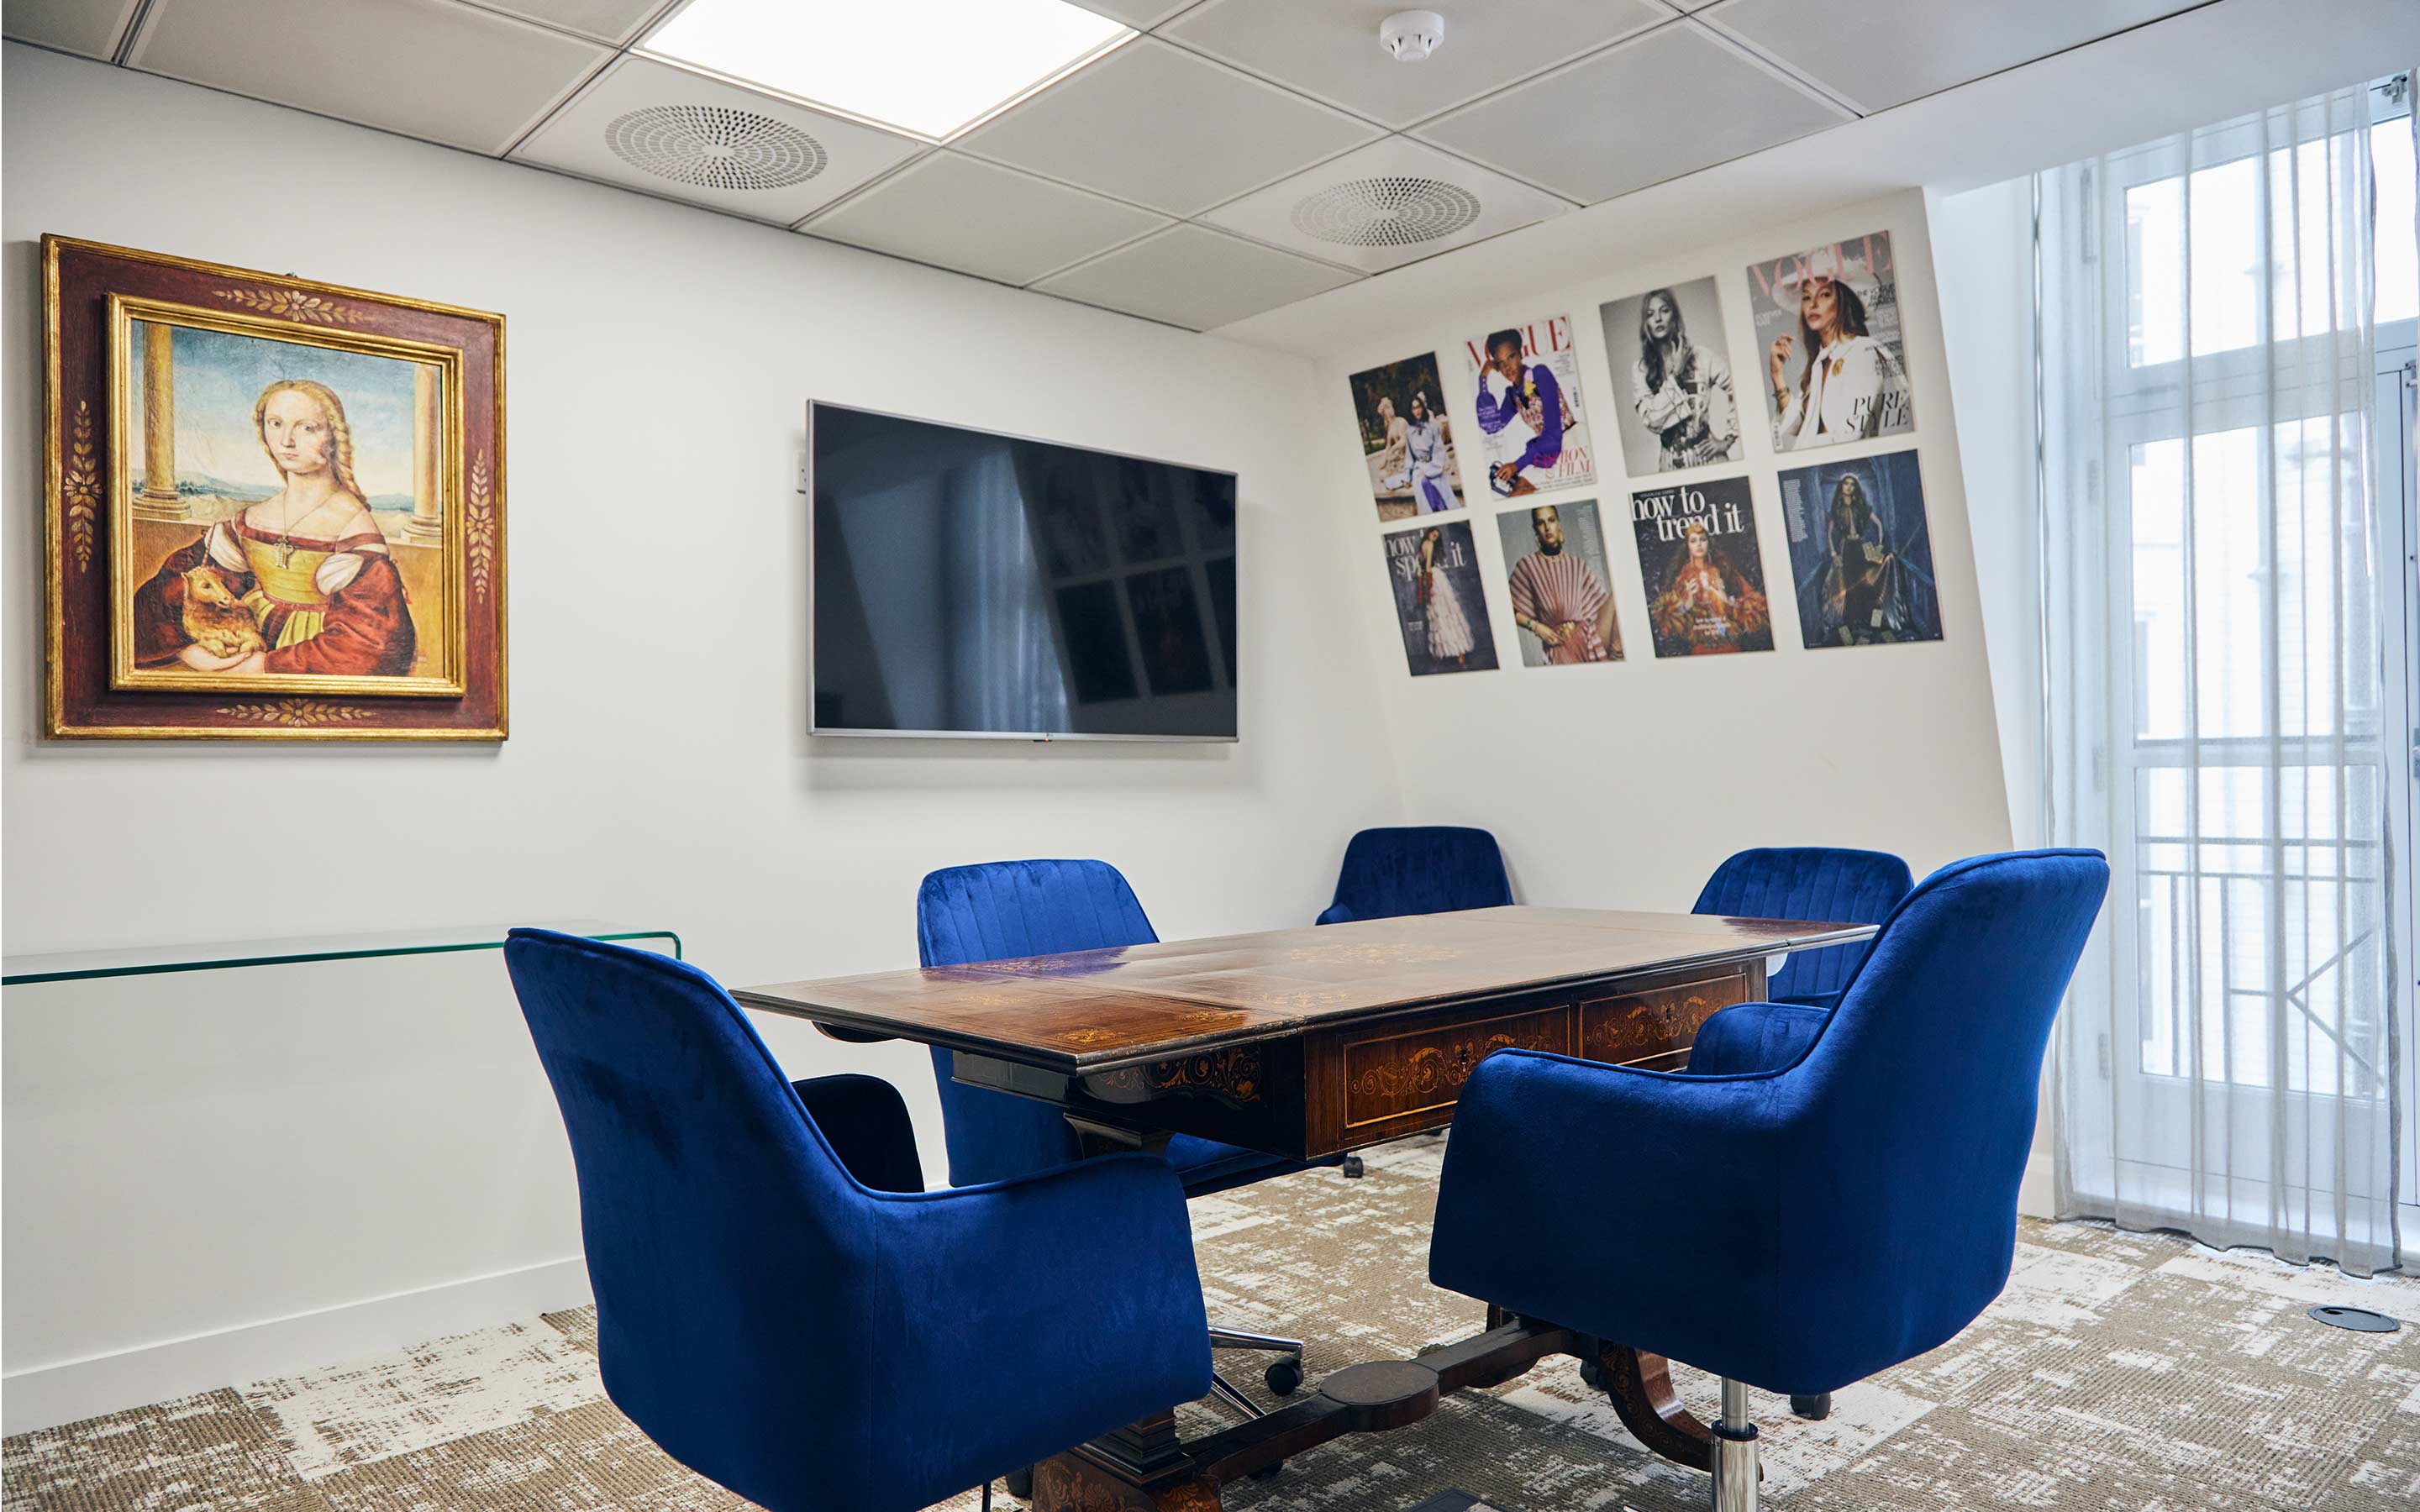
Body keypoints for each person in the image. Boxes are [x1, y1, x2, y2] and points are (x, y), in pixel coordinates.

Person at [129, 378, 416, 677]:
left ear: (333, 435)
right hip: (245, 641)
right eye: (276, 423)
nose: (287, 441)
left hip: (308, 657)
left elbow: (371, 644)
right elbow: (170, 590)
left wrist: (263, 667)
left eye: (307, 428)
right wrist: (190, 647)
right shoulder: (251, 519)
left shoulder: (353, 528)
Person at [1767, 248, 1912, 451]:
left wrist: (1802, 453)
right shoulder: (1820, 361)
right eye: (1807, 297)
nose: (1813, 304)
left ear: (1842, 301)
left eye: (1824, 294)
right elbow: (1796, 425)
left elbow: (1850, 435)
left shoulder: (1863, 352)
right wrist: (1777, 374)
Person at [1629, 288, 1739, 470]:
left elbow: (1739, 387)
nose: (1658, 319)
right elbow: (1652, 422)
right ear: (1646, 323)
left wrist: (1727, 440)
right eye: (1650, 314)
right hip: (1671, 464)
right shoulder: (1641, 369)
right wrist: (1676, 373)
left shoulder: (1701, 356)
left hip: (1709, 459)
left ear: (1675, 315)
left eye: (1664, 311)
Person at [1507, 505, 1616, 664]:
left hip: (1589, 637)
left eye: (1551, 520)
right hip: (1559, 645)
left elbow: (1600, 606)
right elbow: (1506, 609)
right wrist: (1537, 627)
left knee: (1617, 597)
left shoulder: (1577, 564)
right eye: (1541, 523)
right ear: (1536, 529)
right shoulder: (1528, 565)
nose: (1547, 528)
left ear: (1558, 524)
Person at [1649, 520, 1770, 654]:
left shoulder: (1725, 571)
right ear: (1688, 546)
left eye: (1703, 539)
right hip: (1700, 646)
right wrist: (1688, 603)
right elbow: (1667, 621)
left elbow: (1757, 608)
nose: (1699, 544)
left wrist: (1726, 599)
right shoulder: (1682, 578)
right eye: (1693, 541)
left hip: (1730, 643)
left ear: (1708, 543)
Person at [1473, 329, 1570, 496]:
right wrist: (1483, 378)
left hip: (1569, 447)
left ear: (1520, 354)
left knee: (1518, 492)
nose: (1507, 367)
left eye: (1511, 357)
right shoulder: (1513, 395)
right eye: (1500, 362)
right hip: (1545, 454)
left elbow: (1554, 432)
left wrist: (1517, 465)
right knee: (1511, 492)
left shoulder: (1540, 374)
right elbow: (1492, 427)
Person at [1819, 470, 1904, 643]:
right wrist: (1834, 553)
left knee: (1868, 586)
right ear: (1841, 486)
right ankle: (1853, 626)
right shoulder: (1835, 509)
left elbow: (1879, 524)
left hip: (1861, 547)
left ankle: (1875, 624)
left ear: (1855, 487)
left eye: (1852, 484)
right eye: (1846, 483)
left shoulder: (1861, 506)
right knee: (1850, 588)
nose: (1849, 487)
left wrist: (1879, 545)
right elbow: (1829, 534)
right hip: (1845, 549)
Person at [1414, 526, 1479, 669]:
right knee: (1439, 615)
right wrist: (1425, 585)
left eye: (1436, 536)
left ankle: (1456, 653)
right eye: (1433, 534)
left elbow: (1424, 567)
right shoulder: (1427, 545)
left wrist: (1426, 585)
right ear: (1429, 533)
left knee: (1445, 613)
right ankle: (1442, 655)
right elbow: (1424, 567)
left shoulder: (1426, 546)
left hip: (1433, 578)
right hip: (1431, 578)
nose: (1434, 538)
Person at [1402, 391, 1457, 512]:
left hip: (1433, 466)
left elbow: (1439, 450)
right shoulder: (1409, 431)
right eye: (1414, 408)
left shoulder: (1432, 427)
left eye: (1419, 407)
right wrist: (1408, 476)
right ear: (1410, 411)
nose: (1417, 411)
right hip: (1418, 468)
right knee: (1421, 485)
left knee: (1440, 486)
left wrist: (1430, 470)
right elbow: (1409, 456)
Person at [1370, 395, 1413, 496]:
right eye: (1388, 408)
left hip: (1408, 457)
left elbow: (1404, 441)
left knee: (1390, 477)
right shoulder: (1390, 426)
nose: (1391, 409)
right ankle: (1401, 479)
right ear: (1384, 412)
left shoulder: (1401, 421)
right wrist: (1384, 460)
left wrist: (1393, 449)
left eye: (1391, 406)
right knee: (1382, 475)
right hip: (1399, 460)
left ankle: (1406, 478)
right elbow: (1388, 446)